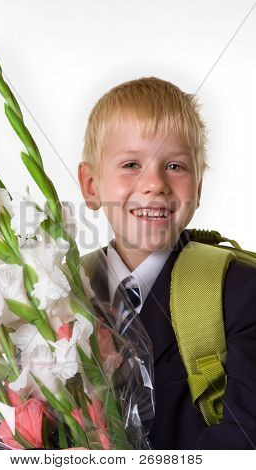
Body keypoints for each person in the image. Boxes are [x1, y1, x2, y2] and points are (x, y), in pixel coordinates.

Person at [77, 76, 256, 449]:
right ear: (91, 185)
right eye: (130, 164)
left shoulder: (239, 292)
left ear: (199, 186)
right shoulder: (57, 298)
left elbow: (244, 441)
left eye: (175, 166)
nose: (154, 183)